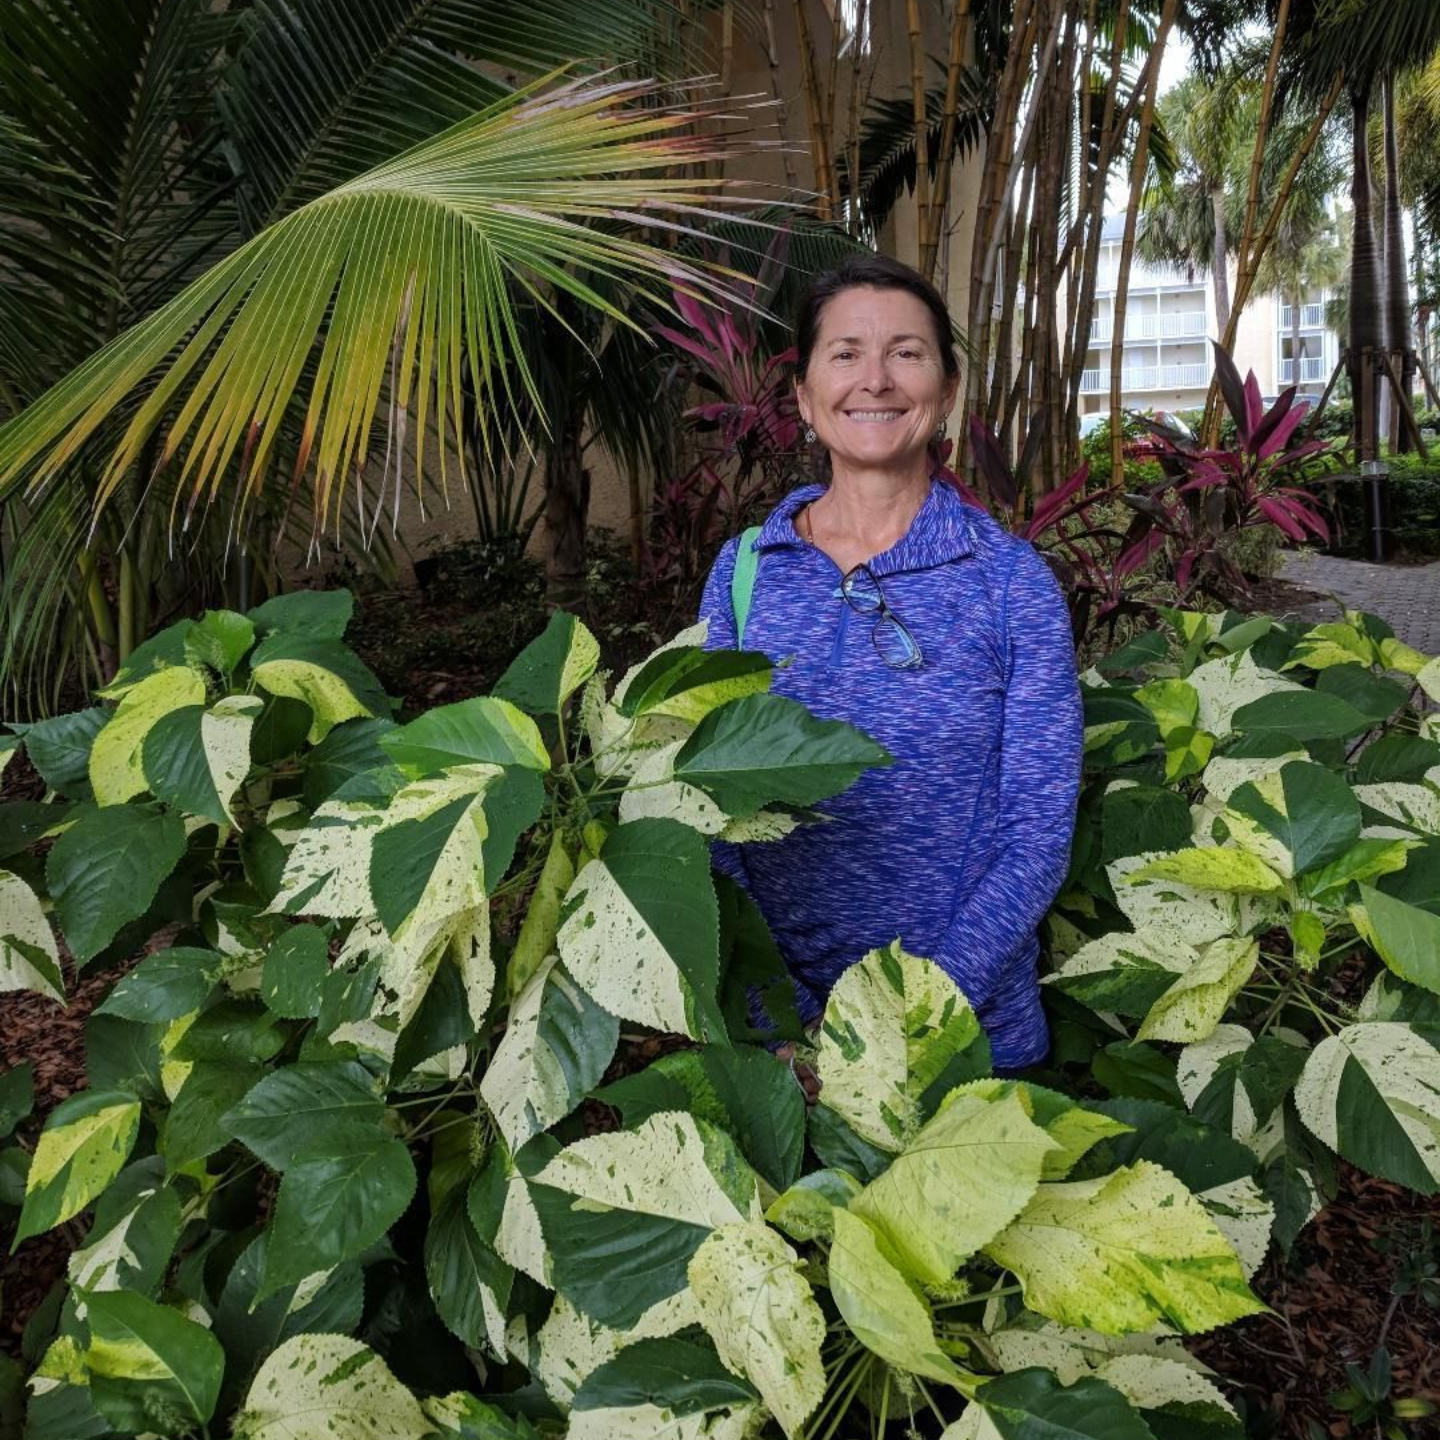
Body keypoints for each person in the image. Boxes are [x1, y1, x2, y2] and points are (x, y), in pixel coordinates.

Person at [698, 254, 1083, 1072]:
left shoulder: (1011, 583)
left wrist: (915, 1018)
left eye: (907, 353)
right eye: (844, 354)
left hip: (964, 1039)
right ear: (803, 397)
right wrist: (792, 1016)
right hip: (780, 1042)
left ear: (945, 391)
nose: (874, 379)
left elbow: (1037, 836)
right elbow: (709, 813)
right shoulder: (742, 575)